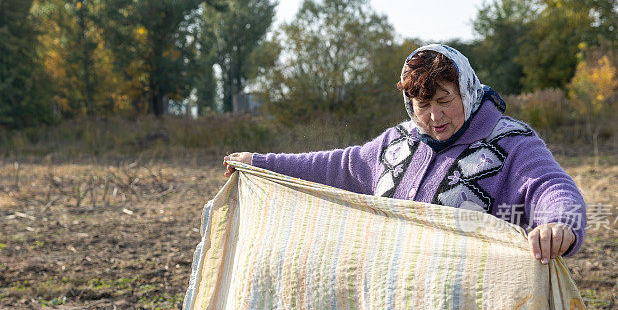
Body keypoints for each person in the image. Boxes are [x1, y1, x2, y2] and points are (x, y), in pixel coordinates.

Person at [224, 44, 586, 263]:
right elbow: (337, 167)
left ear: (468, 92)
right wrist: (259, 164)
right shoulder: (398, 143)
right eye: (422, 104)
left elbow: (550, 186)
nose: (434, 116)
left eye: (445, 100)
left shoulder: (511, 142)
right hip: (396, 308)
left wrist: (559, 224)